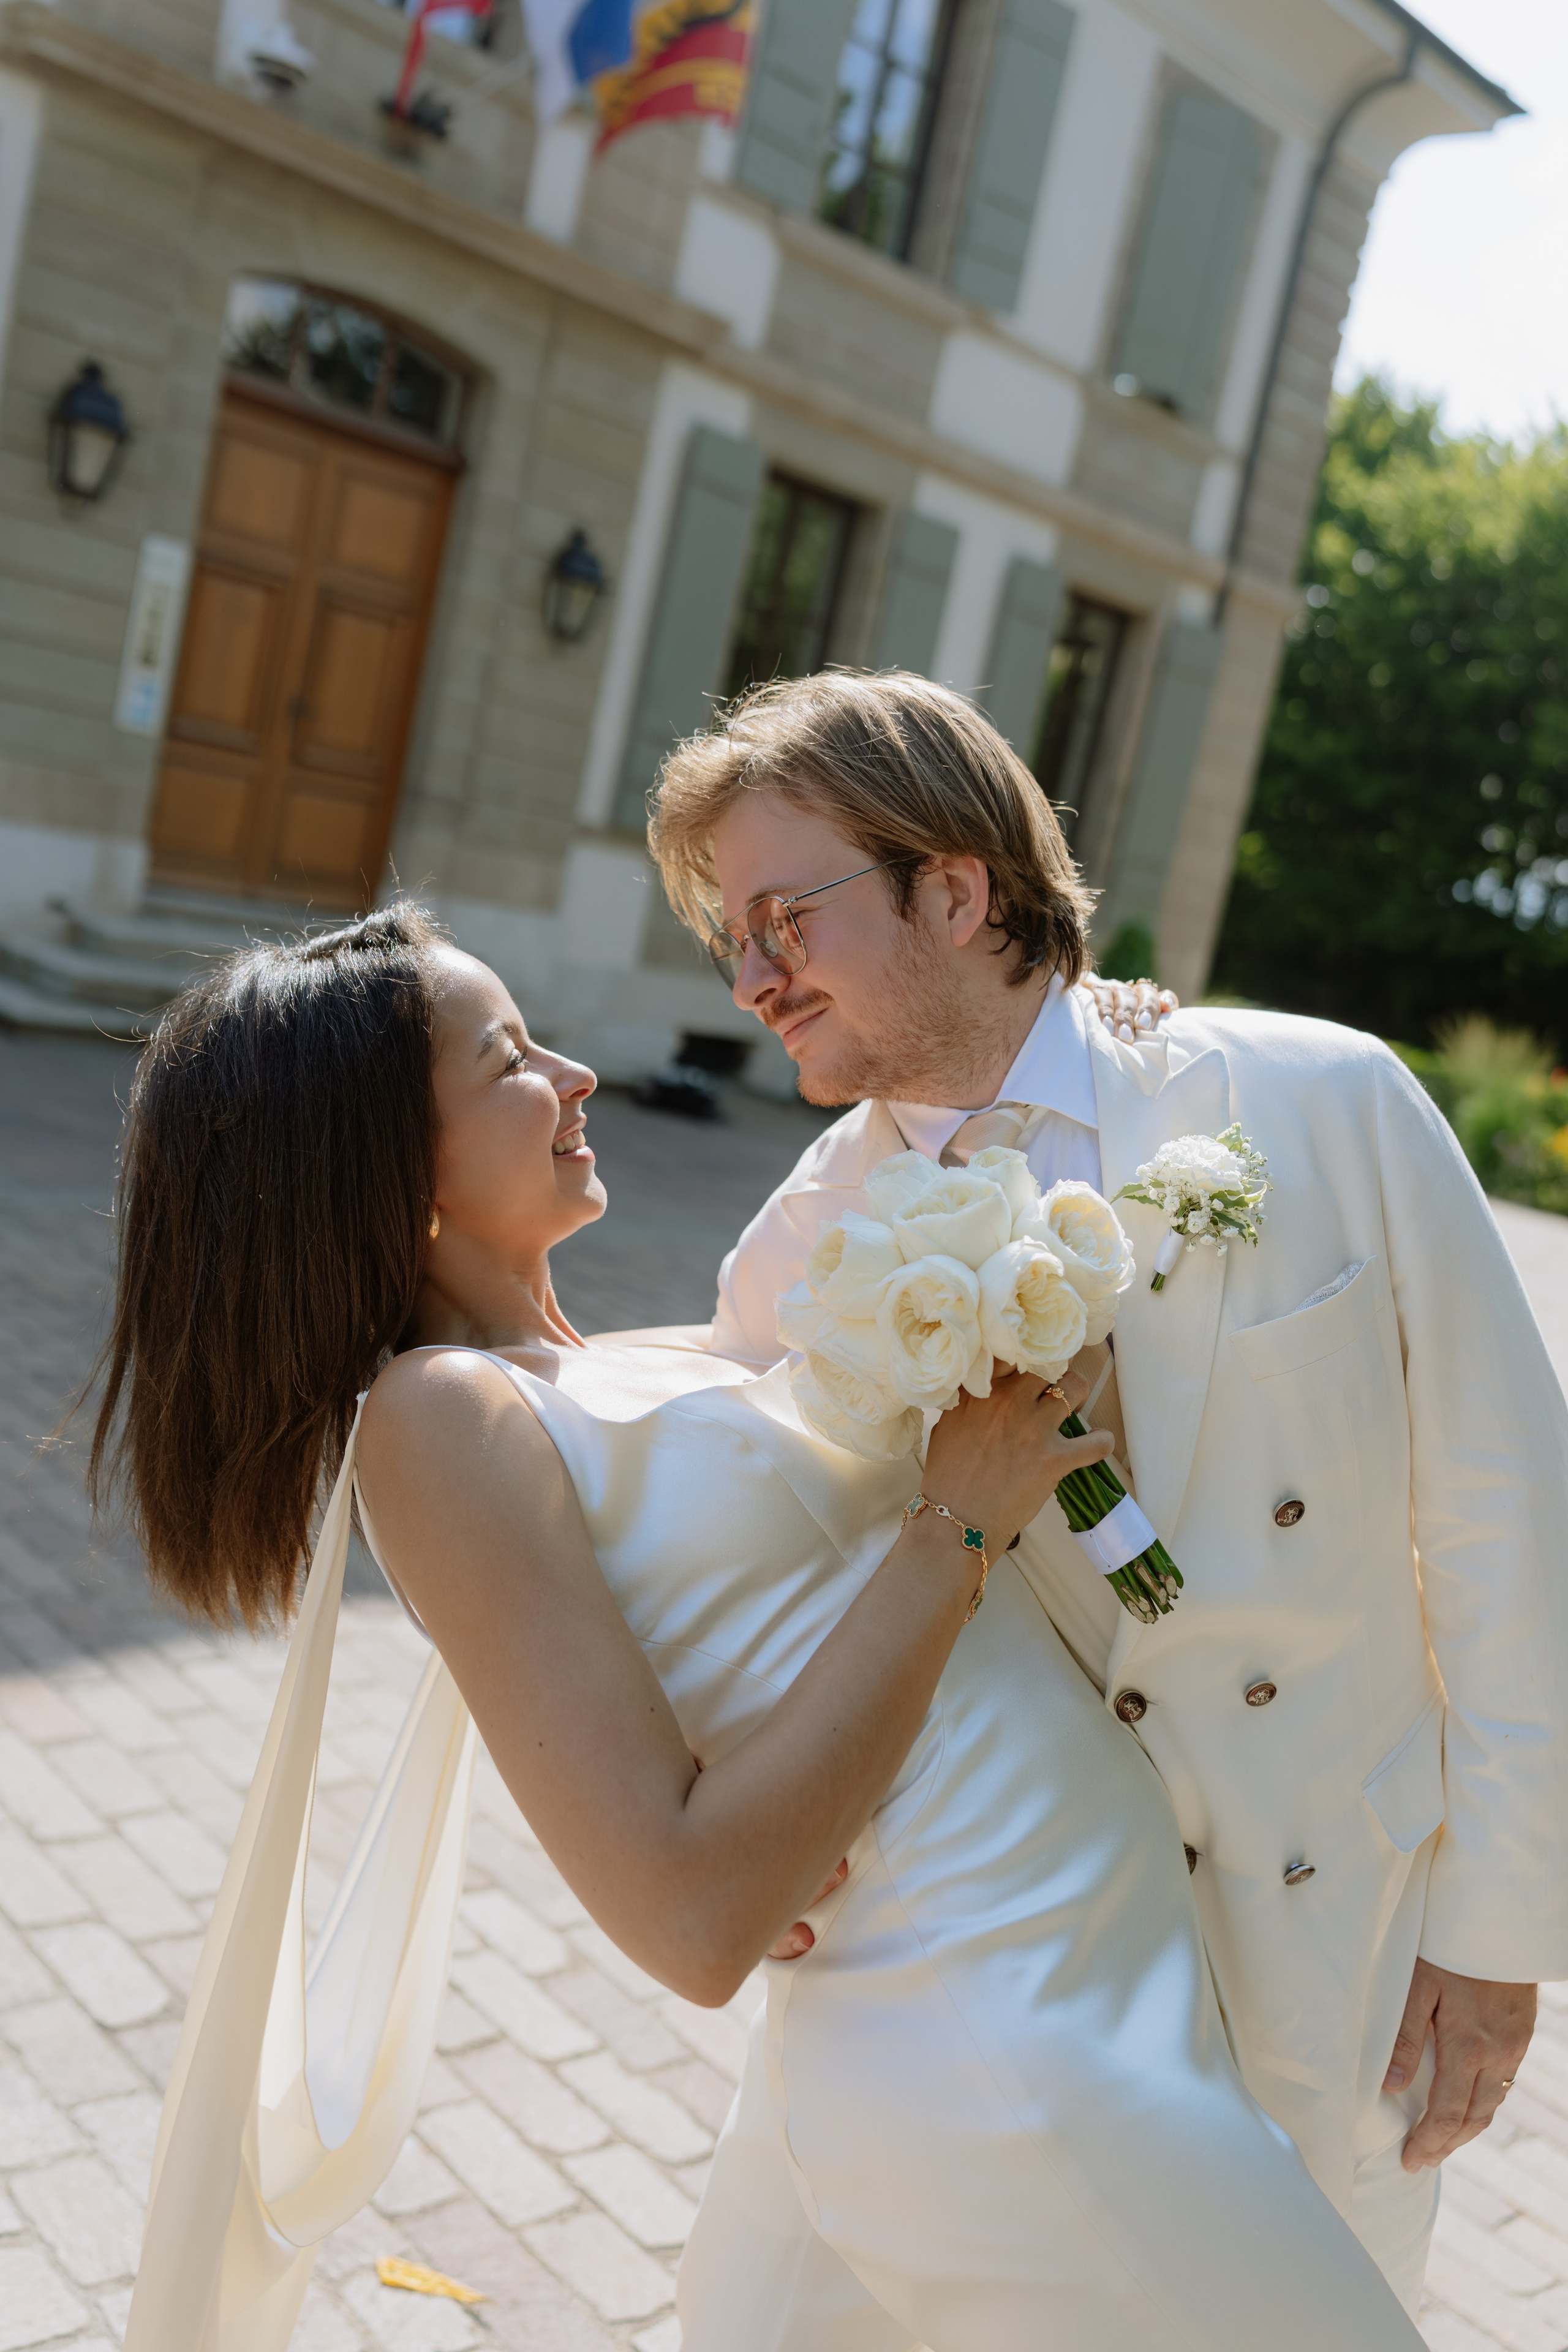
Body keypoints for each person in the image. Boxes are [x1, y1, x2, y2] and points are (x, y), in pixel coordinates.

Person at [97, 907, 1423, 2352]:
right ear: (383, 1159)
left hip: (1084, 1968)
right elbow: (687, 1912)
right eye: (507, 1059)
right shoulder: (441, 1419)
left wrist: (1075, 1033)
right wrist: (952, 1529)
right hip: (1001, 2031)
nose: (577, 1072)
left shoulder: (623, 1360)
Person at [644, 665, 1568, 2334]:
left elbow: (1513, 1527)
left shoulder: (1324, 1103)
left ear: (954, 887)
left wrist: (1498, 1938)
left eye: (784, 916)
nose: (749, 973)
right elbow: (715, 1534)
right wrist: (756, 1814)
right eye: (733, 933)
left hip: (1328, 1946)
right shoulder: (804, 1250)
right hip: (988, 1968)